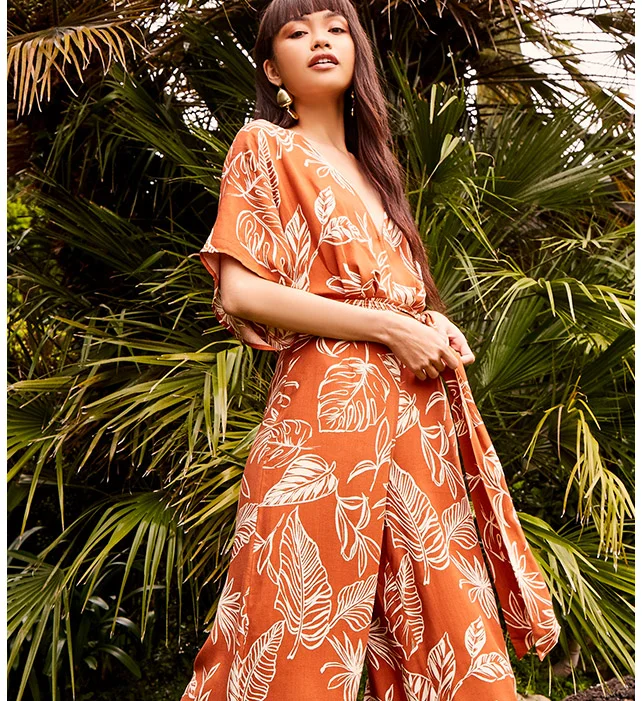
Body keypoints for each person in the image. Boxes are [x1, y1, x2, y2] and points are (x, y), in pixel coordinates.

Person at [181, 1, 561, 699]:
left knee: (449, 623)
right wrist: (389, 329)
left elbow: (388, 290)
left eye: (335, 28)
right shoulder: (264, 145)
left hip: (418, 417)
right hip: (324, 418)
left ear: (357, 50)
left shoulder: (376, 171)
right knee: (293, 629)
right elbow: (241, 291)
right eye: (297, 32)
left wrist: (431, 322)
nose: (320, 40)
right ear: (273, 71)